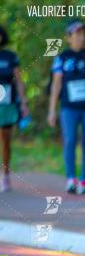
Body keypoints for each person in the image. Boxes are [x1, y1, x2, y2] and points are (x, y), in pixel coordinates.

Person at [47, 21, 85, 195]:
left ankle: (84, 180)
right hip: (69, 108)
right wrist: (52, 110)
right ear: (69, 37)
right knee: (70, 140)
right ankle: (71, 178)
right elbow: (56, 85)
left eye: (83, 34)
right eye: (77, 34)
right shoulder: (62, 58)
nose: (81, 37)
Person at [0, 25, 30, 192]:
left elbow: (19, 80)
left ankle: (5, 175)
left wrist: (24, 102)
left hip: (7, 104)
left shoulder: (10, 56)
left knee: (5, 139)